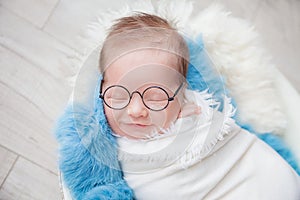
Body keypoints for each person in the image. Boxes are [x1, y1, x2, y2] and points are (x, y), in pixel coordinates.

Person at [56, 12, 300, 199]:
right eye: (119, 96)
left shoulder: (196, 112)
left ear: (182, 94)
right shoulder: (100, 143)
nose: (136, 110)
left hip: (261, 177)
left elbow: (228, 143)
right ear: (102, 90)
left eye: (155, 97)